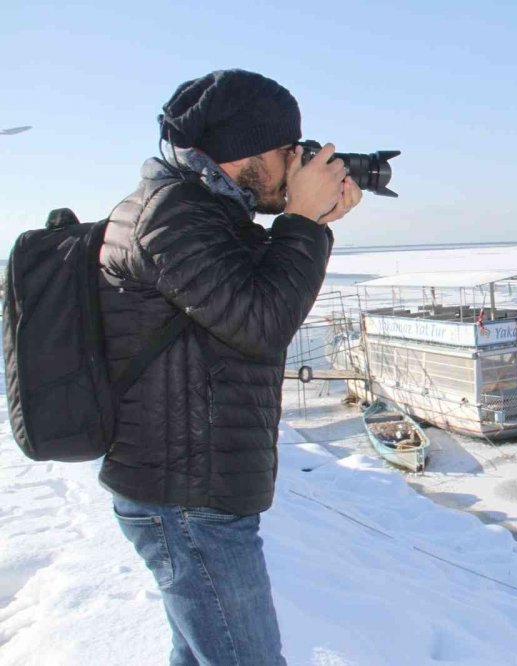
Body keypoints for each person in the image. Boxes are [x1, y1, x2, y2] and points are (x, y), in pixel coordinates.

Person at [98, 69, 361, 665]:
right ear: (243, 153)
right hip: (185, 500)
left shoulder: (204, 214)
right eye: (288, 151)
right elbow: (261, 324)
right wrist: (300, 221)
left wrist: (308, 223)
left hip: (193, 492)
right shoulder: (171, 216)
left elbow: (253, 300)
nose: (298, 163)